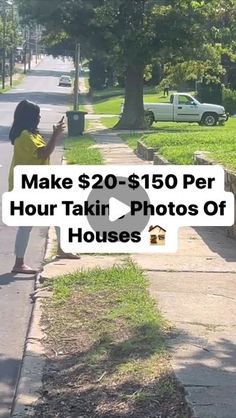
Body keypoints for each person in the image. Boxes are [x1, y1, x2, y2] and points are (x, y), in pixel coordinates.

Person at [8, 100, 80, 274]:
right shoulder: (25, 136)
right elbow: (44, 153)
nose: (40, 117)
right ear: (29, 117)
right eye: (37, 114)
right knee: (26, 224)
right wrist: (55, 135)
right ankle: (19, 263)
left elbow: (43, 152)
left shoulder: (32, 135)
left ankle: (62, 248)